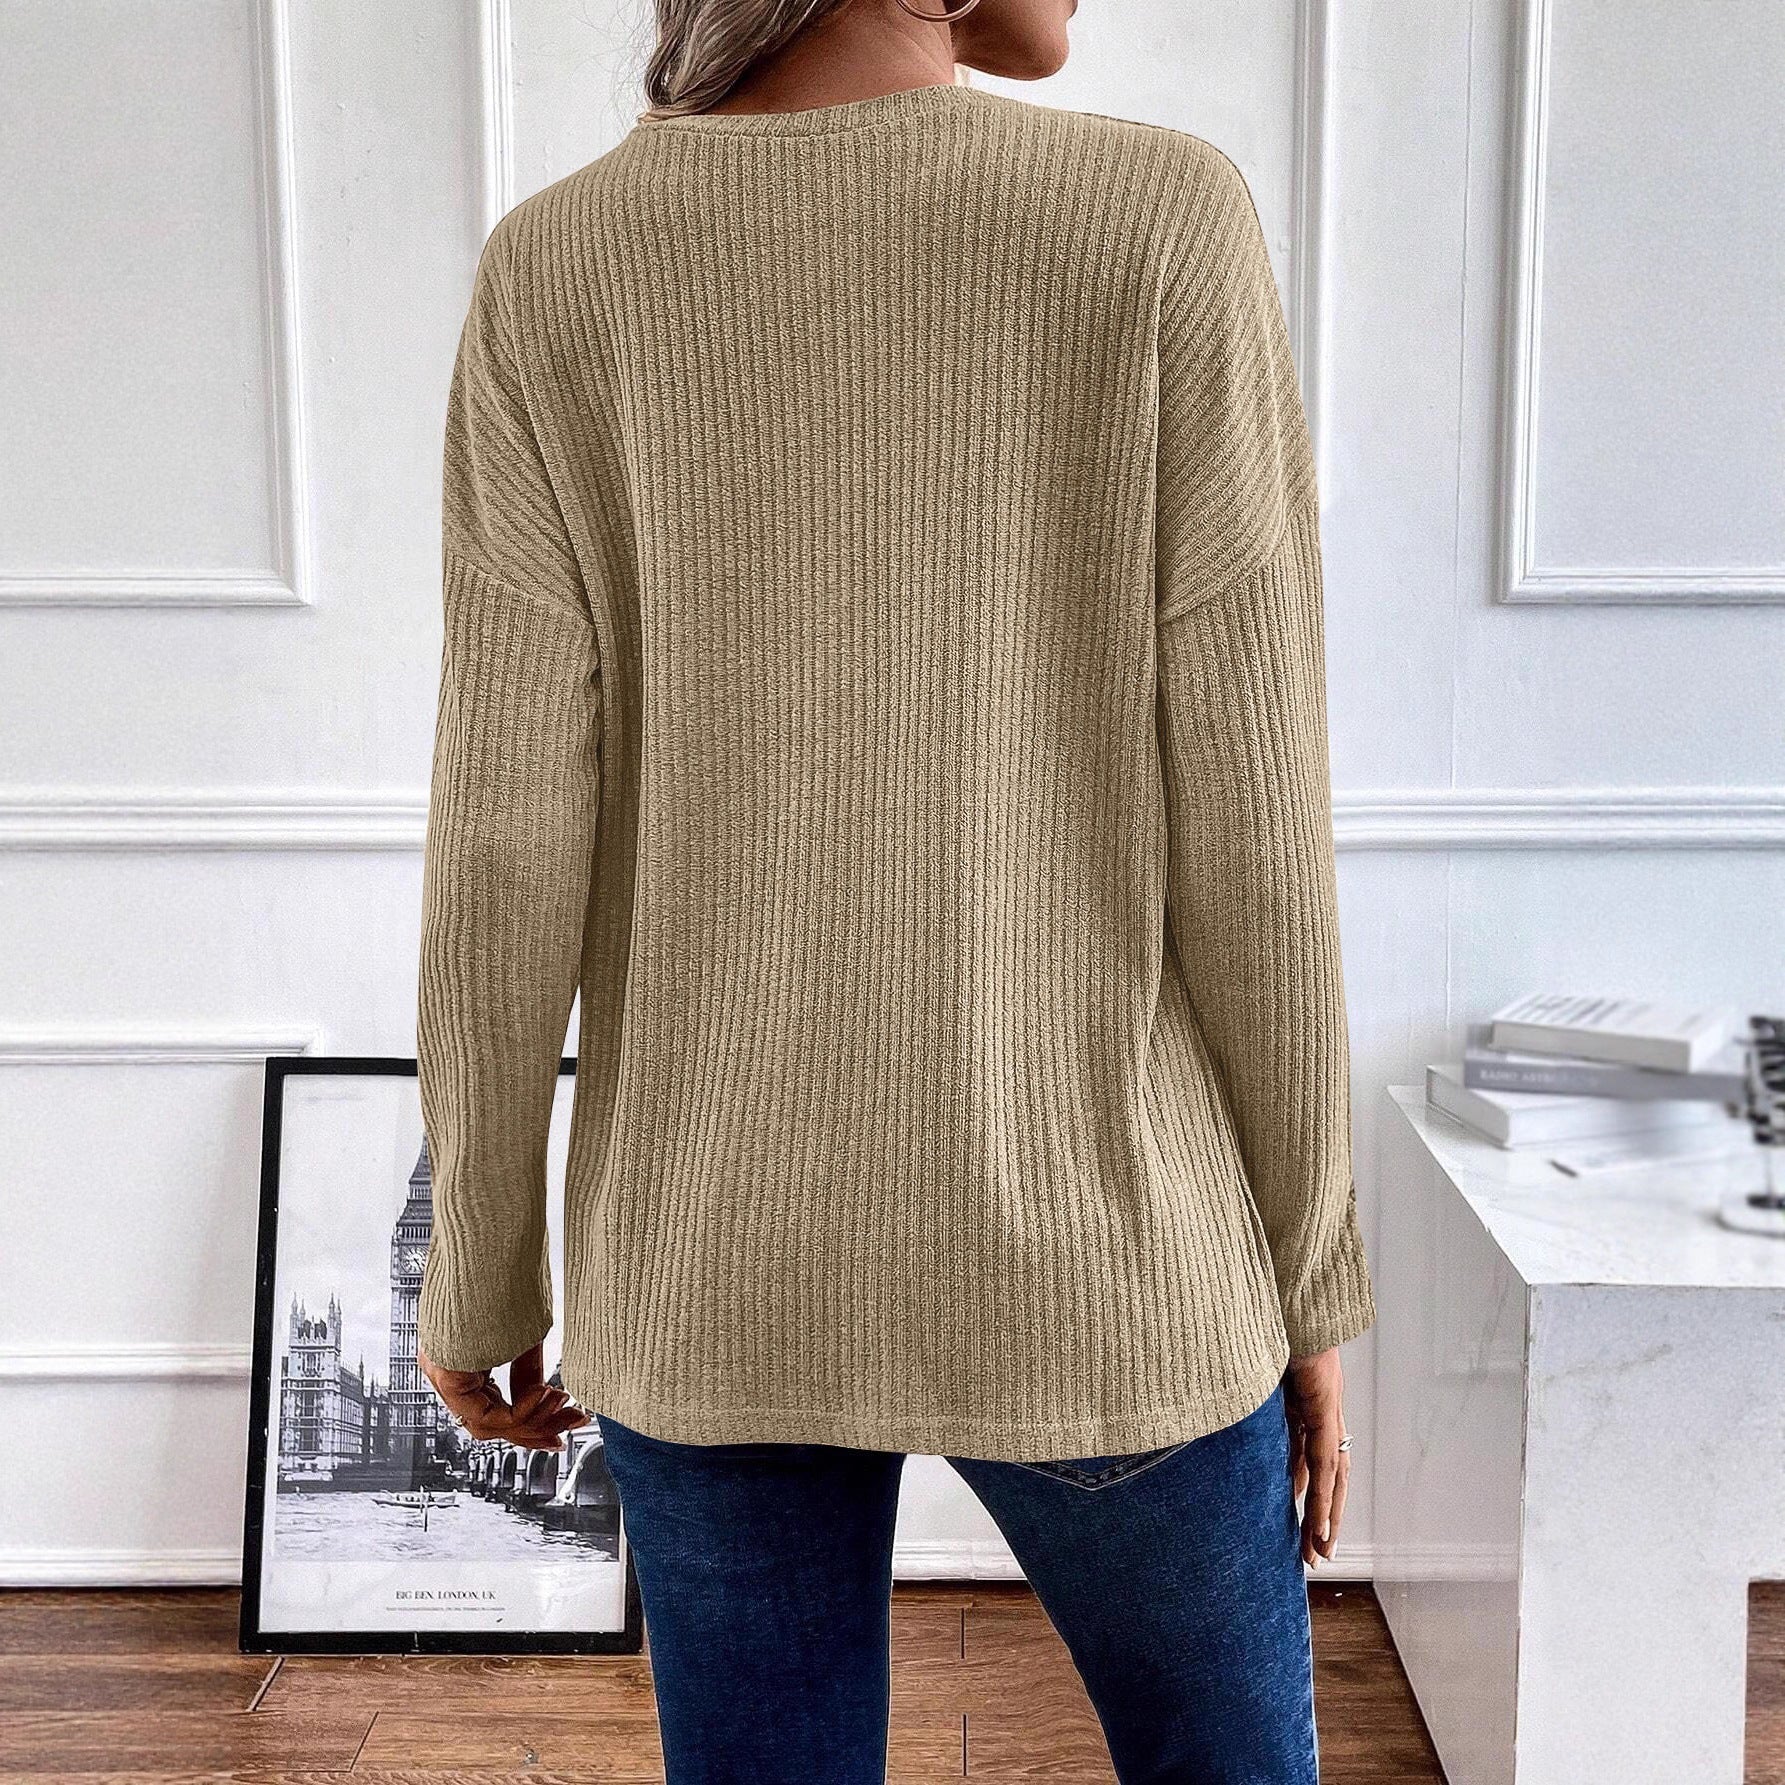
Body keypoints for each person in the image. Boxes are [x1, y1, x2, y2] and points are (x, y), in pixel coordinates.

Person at [413, 0, 1376, 1777]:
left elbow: (503, 837)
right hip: (1105, 1248)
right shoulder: (1156, 221)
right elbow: (1252, 821)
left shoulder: (559, 267)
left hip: (707, 1255)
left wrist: (476, 1269)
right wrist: (1307, 1272)